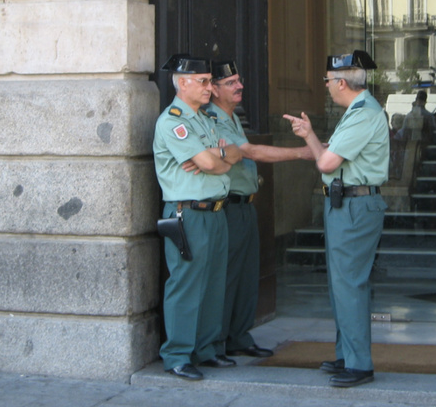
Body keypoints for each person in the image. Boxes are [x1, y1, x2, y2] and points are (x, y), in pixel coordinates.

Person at [283, 50, 390, 388]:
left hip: (355, 206)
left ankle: (359, 364)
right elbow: (331, 155)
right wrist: (313, 138)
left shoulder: (362, 114)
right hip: (347, 205)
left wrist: (309, 139)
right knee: (341, 284)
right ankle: (347, 354)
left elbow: (327, 163)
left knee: (350, 284)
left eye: (328, 81)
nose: (326, 86)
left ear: (341, 82)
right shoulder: (357, 111)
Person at [206, 60, 313, 360]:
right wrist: (302, 152)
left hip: (246, 206)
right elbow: (249, 151)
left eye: (239, 80)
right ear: (213, 89)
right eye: (231, 83)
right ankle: (216, 343)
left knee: (245, 277)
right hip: (228, 207)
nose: (239, 86)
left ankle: (239, 336)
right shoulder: (212, 118)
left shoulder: (232, 117)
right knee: (226, 278)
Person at [153, 54, 242, 381]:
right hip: (188, 214)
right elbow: (210, 163)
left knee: (213, 284)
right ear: (182, 83)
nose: (210, 87)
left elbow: (234, 152)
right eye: (203, 82)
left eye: (209, 81)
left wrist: (221, 155)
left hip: (216, 212)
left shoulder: (204, 118)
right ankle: (177, 354)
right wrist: (219, 157)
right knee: (187, 284)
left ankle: (206, 349)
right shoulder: (173, 121)